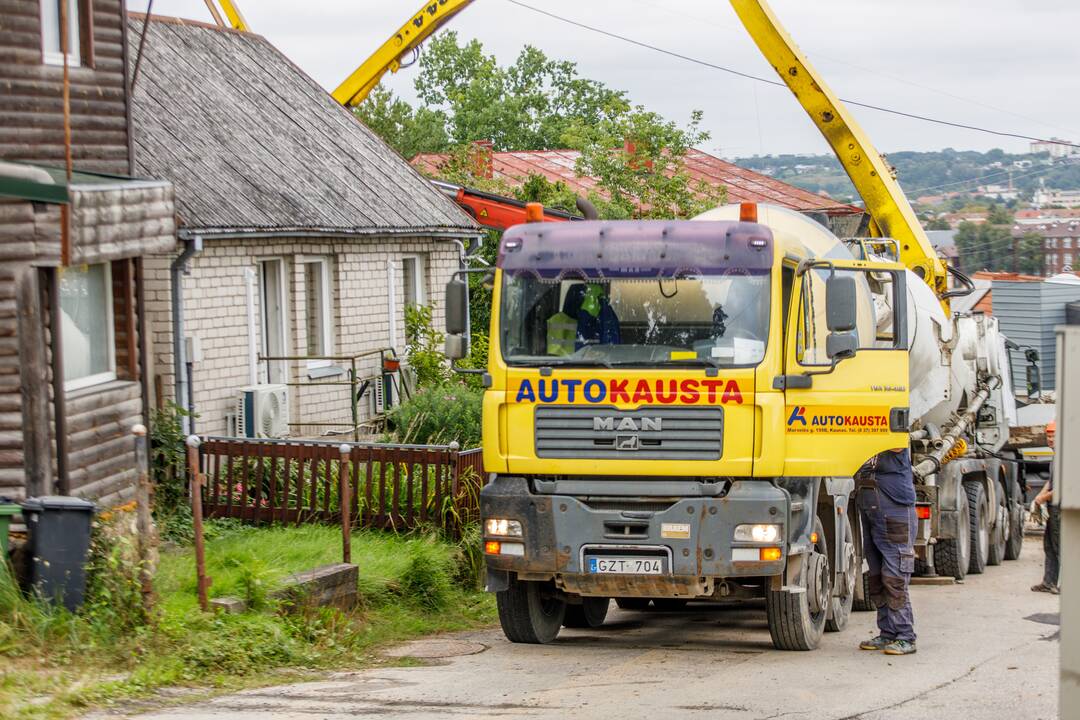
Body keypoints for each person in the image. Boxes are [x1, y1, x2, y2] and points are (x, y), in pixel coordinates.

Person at [856, 447, 918, 655]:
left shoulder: (893, 434)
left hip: (894, 512)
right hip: (871, 510)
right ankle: (887, 633)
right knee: (876, 576)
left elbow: (895, 443)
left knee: (894, 576)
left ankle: (905, 635)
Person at [1031, 419, 1060, 595]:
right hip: (1053, 506)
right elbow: (1051, 482)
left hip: (1061, 508)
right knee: (1049, 545)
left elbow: (1065, 487)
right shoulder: (1056, 456)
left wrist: (1043, 498)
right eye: (1048, 436)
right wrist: (1039, 496)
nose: (1050, 439)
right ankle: (1049, 582)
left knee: (1061, 547)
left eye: (1054, 436)